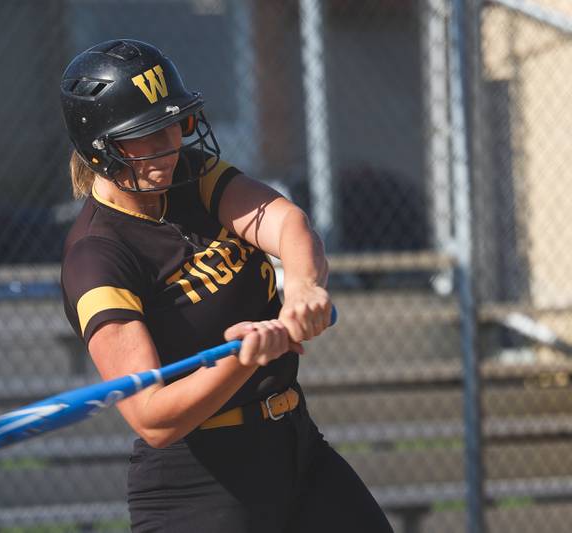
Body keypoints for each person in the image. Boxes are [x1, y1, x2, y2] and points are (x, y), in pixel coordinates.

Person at [59, 39, 392, 533]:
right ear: (101, 150)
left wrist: (302, 288)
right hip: (200, 487)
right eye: (147, 135)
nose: (171, 144)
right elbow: (153, 417)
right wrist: (242, 359)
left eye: (174, 123)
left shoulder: (191, 176)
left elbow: (286, 223)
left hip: (294, 447)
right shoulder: (96, 257)